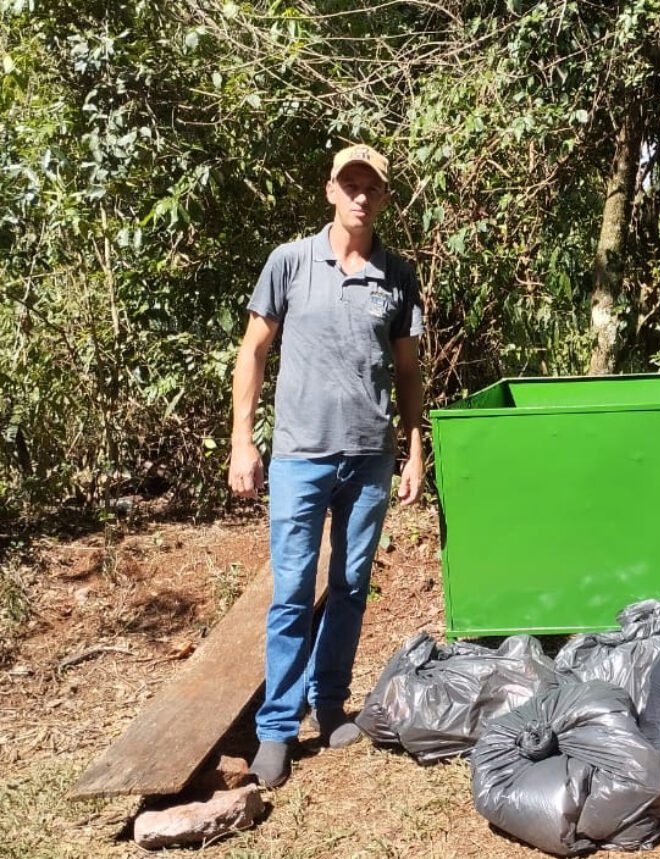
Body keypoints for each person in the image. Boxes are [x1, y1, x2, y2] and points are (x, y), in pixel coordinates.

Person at [228, 143, 426, 788]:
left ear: (385, 198)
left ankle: (330, 704)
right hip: (300, 457)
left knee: (348, 588)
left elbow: (407, 370)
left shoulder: (397, 274)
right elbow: (252, 352)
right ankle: (276, 729)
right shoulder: (290, 262)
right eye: (351, 184)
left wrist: (414, 446)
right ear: (330, 191)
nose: (361, 196)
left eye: (372, 187)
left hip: (369, 458)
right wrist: (242, 441)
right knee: (290, 593)